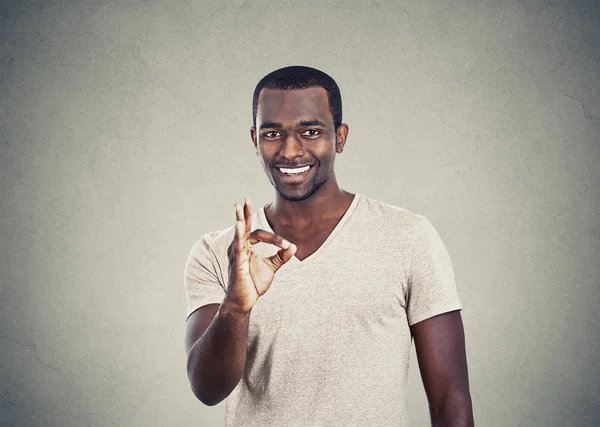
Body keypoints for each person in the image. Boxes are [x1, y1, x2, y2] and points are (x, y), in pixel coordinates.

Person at [184, 66, 474, 427]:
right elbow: (207, 390)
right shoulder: (220, 252)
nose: (290, 151)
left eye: (310, 131)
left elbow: (450, 396)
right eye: (273, 133)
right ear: (255, 140)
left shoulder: (408, 236)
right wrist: (236, 307)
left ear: (340, 137)